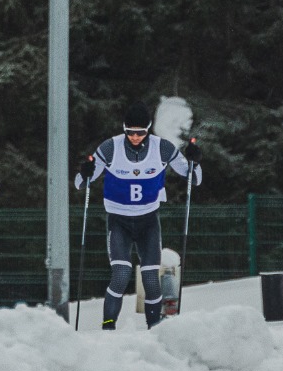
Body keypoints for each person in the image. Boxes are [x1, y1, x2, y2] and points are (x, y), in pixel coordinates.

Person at [74, 101, 203, 330]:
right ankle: (108, 325)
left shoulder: (162, 148)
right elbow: (80, 184)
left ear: (148, 129)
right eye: (130, 132)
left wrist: (195, 160)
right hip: (119, 221)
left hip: (148, 221)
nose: (135, 137)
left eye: (140, 132)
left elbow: (194, 178)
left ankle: (154, 329)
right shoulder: (110, 148)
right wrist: (85, 173)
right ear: (124, 129)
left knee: (152, 280)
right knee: (121, 274)